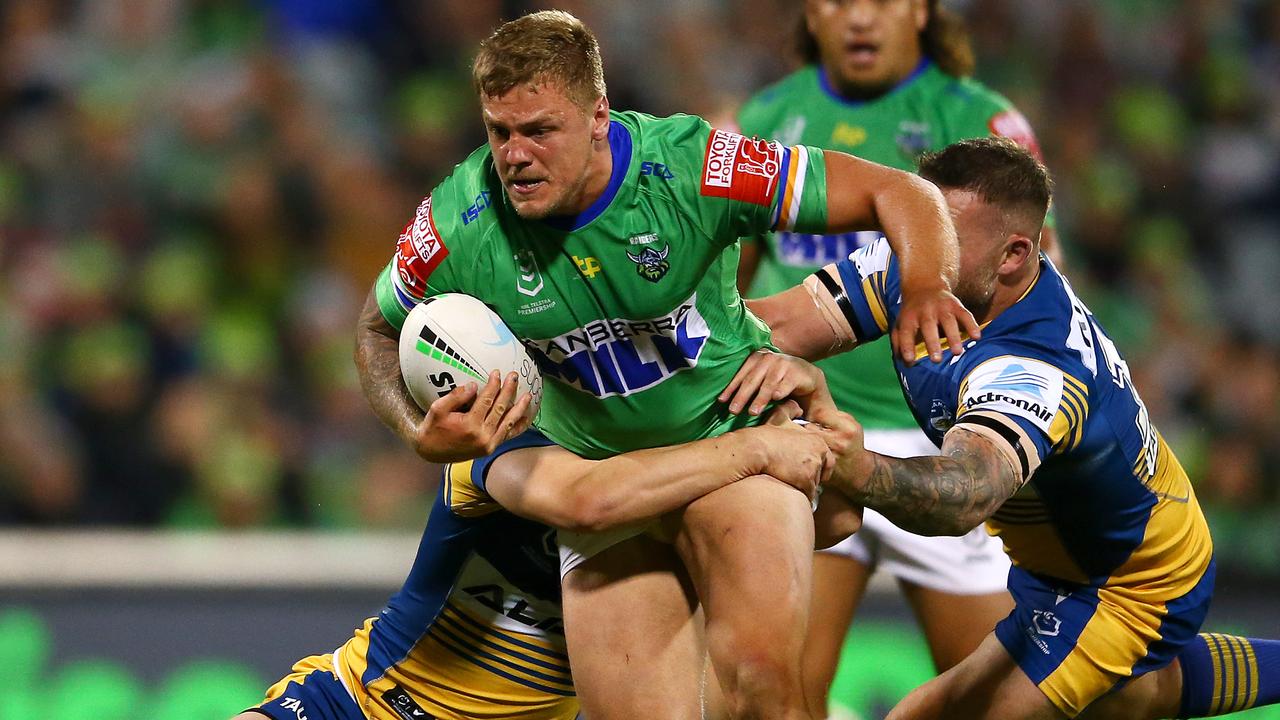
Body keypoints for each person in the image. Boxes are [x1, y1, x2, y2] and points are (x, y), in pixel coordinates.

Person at [353, 11, 974, 719]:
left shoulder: (690, 167)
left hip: (733, 439)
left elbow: (902, 191)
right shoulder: (460, 220)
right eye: (499, 132)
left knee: (764, 692)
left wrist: (927, 285)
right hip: (611, 484)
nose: (515, 156)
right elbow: (375, 330)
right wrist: (416, 432)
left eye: (539, 131)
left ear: (597, 116)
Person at [728, 137, 1280, 719]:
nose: (915, 245)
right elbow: (778, 326)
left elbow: (963, 496)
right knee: (1129, 698)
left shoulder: (1030, 368)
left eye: (940, 234)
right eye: (915, 221)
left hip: (1127, 584)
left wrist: (849, 463)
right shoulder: (923, 263)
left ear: (1014, 256)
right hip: (1060, 557)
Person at [732, 0, 1062, 704]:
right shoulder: (761, 120)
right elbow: (730, 276)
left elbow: (1035, 277)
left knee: (990, 701)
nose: (859, 19)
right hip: (805, 432)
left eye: (881, 0)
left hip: (942, 443)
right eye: (838, 1)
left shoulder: (982, 123)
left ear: (920, 11)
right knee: (776, 690)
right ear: (808, 13)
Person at [236, 387, 840, 720]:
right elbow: (588, 500)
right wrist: (758, 449)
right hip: (364, 705)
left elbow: (831, 521)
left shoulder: (693, 454)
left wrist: (828, 433)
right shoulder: (501, 445)